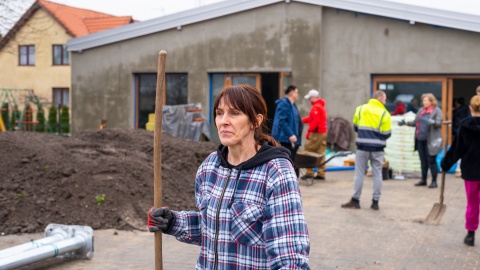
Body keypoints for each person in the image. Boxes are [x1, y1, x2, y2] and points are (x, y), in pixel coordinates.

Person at [147, 84, 310, 269]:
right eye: (219, 113)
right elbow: (212, 227)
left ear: (255, 121)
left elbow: (290, 258)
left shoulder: (276, 172)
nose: (223, 121)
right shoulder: (210, 167)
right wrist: (173, 221)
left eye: (234, 113)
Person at [341, 90, 391, 210]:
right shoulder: (385, 114)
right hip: (378, 149)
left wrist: (366, 135)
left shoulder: (360, 109)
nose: (385, 101)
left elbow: (356, 127)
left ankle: (355, 200)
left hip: (362, 147)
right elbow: (387, 134)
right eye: (384, 99)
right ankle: (375, 202)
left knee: (359, 174)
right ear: (379, 99)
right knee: (377, 174)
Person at [441, 95, 480, 246]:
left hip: (471, 171)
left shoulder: (464, 127)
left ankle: (470, 234)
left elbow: (457, 150)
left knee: (472, 203)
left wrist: (445, 164)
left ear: (470, 108)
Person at [399, 93, 443, 188]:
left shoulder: (436, 110)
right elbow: (415, 122)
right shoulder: (421, 110)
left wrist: (433, 122)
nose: (424, 102)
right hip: (420, 139)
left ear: (431, 101)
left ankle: (434, 181)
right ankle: (423, 179)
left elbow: (439, 123)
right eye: (423, 100)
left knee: (431, 160)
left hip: (431, 140)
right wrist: (406, 123)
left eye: (426, 100)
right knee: (423, 160)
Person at [271, 85, 303, 176]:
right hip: (283, 138)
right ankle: (286, 177)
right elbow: (282, 121)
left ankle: (292, 176)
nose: (297, 94)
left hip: (291, 137)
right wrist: (290, 134)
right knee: (286, 159)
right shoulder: (284, 104)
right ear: (292, 93)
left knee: (292, 158)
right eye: (297, 92)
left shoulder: (292, 105)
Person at [300, 89, 328, 180]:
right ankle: (321, 173)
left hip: (317, 133)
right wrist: (302, 120)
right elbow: (312, 118)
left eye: (309, 98)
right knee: (320, 152)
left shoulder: (316, 107)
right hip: (322, 132)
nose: (309, 100)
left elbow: (315, 121)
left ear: (313, 98)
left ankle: (309, 172)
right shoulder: (320, 106)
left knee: (308, 150)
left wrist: (309, 131)